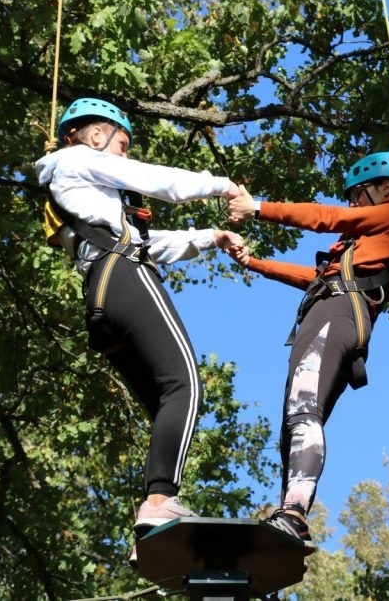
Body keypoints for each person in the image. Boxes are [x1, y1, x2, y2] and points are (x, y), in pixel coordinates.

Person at [34, 98, 242, 555]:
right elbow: (153, 179)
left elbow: (147, 244)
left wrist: (210, 237)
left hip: (103, 295)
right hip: (125, 277)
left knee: (164, 403)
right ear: (95, 136)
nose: (125, 155)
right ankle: (160, 500)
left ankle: (154, 521)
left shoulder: (84, 195)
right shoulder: (78, 159)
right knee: (185, 386)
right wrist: (223, 186)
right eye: (122, 145)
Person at [225, 152, 389, 553]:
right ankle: (290, 516)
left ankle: (293, 515)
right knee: (295, 422)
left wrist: (257, 208)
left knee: (304, 409)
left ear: (386, 188)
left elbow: (329, 217)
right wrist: (254, 262)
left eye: (358, 195)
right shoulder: (362, 249)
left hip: (338, 313)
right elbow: (315, 279)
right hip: (329, 310)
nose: (355, 206)